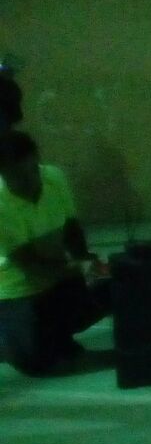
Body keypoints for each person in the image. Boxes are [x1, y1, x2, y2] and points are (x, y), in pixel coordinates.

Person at [0, 131, 111, 376]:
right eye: (18, 177)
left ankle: (47, 335)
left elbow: (71, 227)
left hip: (57, 278)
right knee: (36, 362)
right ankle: (11, 337)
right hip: (18, 293)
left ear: (37, 160)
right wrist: (79, 268)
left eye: (33, 171)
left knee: (118, 284)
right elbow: (30, 267)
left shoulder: (54, 177)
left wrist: (85, 259)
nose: (30, 181)